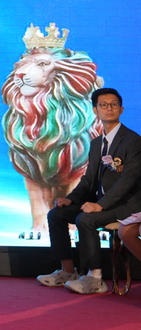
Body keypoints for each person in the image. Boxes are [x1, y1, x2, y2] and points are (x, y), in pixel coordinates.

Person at [37, 88, 141, 294]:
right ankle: (68, 271)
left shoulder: (133, 141)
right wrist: (71, 199)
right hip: (103, 202)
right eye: (103, 105)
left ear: (121, 109)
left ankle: (95, 278)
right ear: (95, 110)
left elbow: (128, 180)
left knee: (86, 219)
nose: (109, 108)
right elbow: (89, 179)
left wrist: (100, 205)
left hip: (127, 205)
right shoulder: (96, 143)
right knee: (57, 214)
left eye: (114, 104)